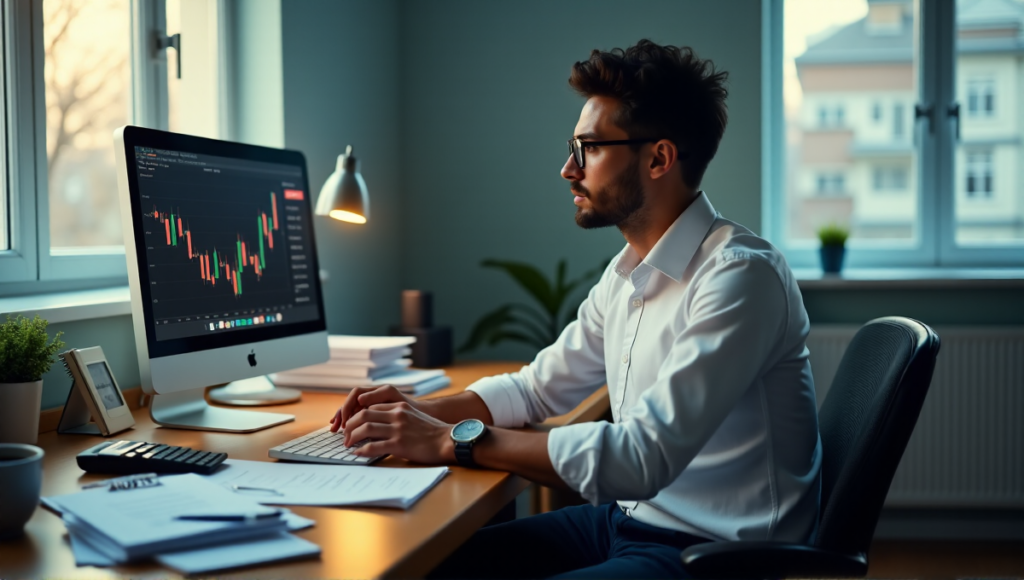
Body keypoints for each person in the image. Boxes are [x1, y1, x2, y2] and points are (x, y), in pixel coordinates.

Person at [331, 39, 821, 579]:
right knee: (432, 566)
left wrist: (451, 441)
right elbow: (537, 389)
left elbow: (641, 458)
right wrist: (416, 412)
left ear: (658, 157)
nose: (568, 168)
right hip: (628, 522)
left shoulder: (739, 276)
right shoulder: (627, 274)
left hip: (717, 551)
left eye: (589, 148)